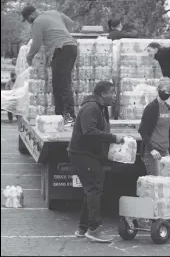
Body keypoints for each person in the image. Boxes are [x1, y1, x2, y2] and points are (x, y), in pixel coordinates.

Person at [68, 81, 126, 243]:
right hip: (81, 154)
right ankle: (94, 228)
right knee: (94, 188)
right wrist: (114, 138)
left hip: (90, 154)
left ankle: (82, 228)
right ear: (102, 94)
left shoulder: (101, 107)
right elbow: (89, 132)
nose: (115, 95)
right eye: (112, 92)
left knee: (94, 188)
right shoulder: (91, 108)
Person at [21, 5, 77, 126]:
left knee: (63, 84)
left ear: (31, 15)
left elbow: (36, 43)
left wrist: (29, 57)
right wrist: (62, 33)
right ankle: (59, 116)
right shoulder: (54, 12)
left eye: (27, 19)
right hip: (71, 47)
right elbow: (72, 23)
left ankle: (70, 117)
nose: (29, 22)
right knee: (57, 85)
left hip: (62, 49)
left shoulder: (37, 22)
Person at [138, 77, 170, 176]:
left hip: (165, 150)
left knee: (166, 182)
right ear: (158, 90)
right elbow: (142, 130)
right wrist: (151, 149)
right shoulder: (151, 108)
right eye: (164, 91)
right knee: (156, 184)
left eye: (169, 91)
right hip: (153, 152)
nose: (166, 93)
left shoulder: (168, 108)